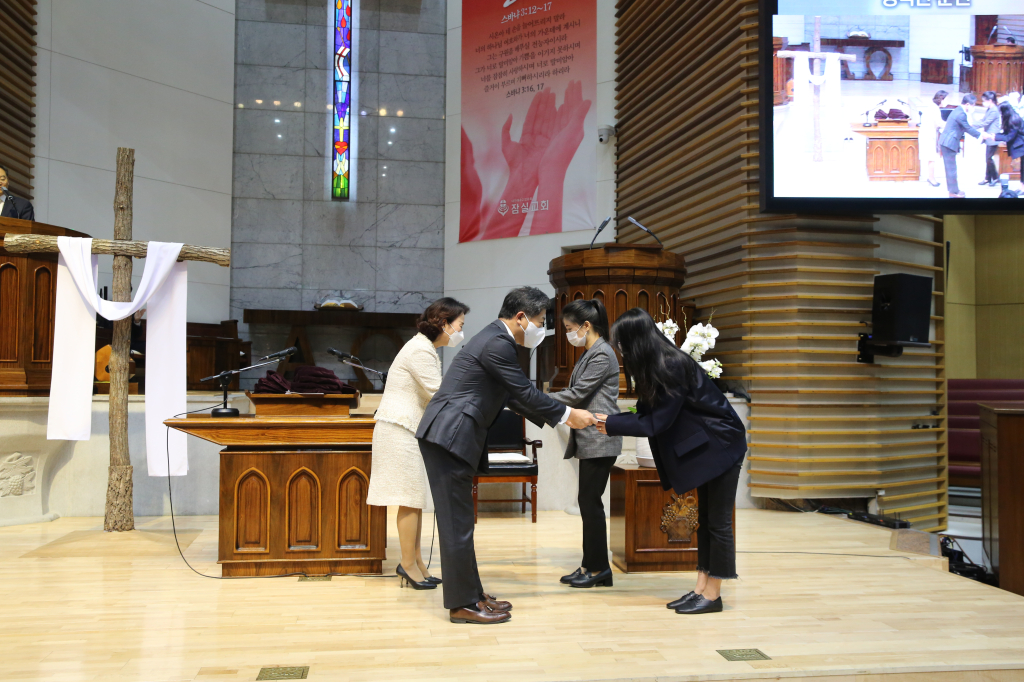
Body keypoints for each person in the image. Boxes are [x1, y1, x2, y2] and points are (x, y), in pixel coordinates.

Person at [416, 286, 597, 624]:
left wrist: (561, 414)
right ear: (521, 317)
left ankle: (472, 594)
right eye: (540, 322)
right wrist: (568, 415)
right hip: (449, 436)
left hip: (451, 435)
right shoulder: (498, 342)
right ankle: (462, 605)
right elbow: (524, 391)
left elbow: (513, 397)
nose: (541, 329)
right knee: (457, 526)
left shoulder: (495, 338)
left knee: (461, 524)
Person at [594, 309, 746, 615]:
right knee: (706, 520)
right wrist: (608, 420)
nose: (620, 350)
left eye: (621, 343)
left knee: (718, 523)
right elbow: (646, 414)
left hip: (722, 445)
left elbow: (657, 423)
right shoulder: (656, 365)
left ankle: (713, 594)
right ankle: (701, 588)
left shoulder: (672, 363)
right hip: (707, 447)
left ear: (636, 340)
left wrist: (609, 424)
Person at [367, 297, 469, 590]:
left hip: (406, 429)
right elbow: (438, 393)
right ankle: (407, 565)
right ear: (444, 323)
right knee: (409, 498)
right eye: (459, 325)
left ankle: (417, 563)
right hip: (399, 429)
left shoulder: (425, 347)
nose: (461, 331)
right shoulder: (421, 350)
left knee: (414, 499)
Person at [549, 299, 622, 589]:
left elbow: (576, 394)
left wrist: (534, 401)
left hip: (600, 437)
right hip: (592, 437)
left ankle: (599, 568)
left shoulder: (602, 353)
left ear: (586, 325)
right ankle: (589, 565)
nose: (568, 333)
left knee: (590, 504)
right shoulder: (591, 352)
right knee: (587, 502)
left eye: (569, 328)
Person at [938, 94, 982, 198]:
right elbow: (967, 128)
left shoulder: (958, 110)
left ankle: (954, 190)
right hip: (949, 143)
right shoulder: (961, 114)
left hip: (947, 141)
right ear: (967, 104)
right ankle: (953, 193)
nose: (973, 108)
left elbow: (966, 127)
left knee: (951, 169)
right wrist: (980, 135)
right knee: (951, 169)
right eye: (973, 105)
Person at [983, 102, 1024, 173]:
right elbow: (1006, 133)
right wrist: (994, 135)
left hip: (1021, 147)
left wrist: (992, 137)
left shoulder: (1014, 120)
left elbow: (1008, 137)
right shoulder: (1009, 118)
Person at [918, 91, 948, 188]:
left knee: (931, 157)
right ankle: (931, 179)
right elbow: (939, 123)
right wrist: (950, 124)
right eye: (946, 99)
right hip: (928, 136)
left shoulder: (933, 107)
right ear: (941, 99)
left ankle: (931, 177)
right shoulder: (935, 109)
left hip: (928, 134)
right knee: (932, 158)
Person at [974, 91, 1001, 187]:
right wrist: (974, 123)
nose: (983, 103)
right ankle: (988, 178)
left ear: (990, 100)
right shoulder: (990, 109)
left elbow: (986, 123)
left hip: (992, 137)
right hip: (988, 137)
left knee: (989, 159)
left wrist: (973, 126)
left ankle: (995, 177)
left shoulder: (994, 110)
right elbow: (983, 120)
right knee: (988, 159)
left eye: (984, 101)